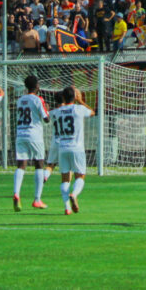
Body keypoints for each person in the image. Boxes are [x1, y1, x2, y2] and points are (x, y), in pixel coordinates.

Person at [51, 86, 95, 215]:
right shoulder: (79, 109)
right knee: (80, 176)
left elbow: (49, 116)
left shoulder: (58, 111)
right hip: (77, 148)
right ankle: (74, 194)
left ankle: (67, 208)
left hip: (62, 148)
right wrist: (80, 100)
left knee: (65, 179)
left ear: (63, 97)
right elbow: (92, 112)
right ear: (74, 97)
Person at [13, 74, 50, 212]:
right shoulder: (38, 99)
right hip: (34, 135)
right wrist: (47, 108)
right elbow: (46, 119)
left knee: (21, 165)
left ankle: (16, 193)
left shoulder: (20, 100)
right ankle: (37, 199)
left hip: (21, 134)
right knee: (39, 164)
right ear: (37, 86)